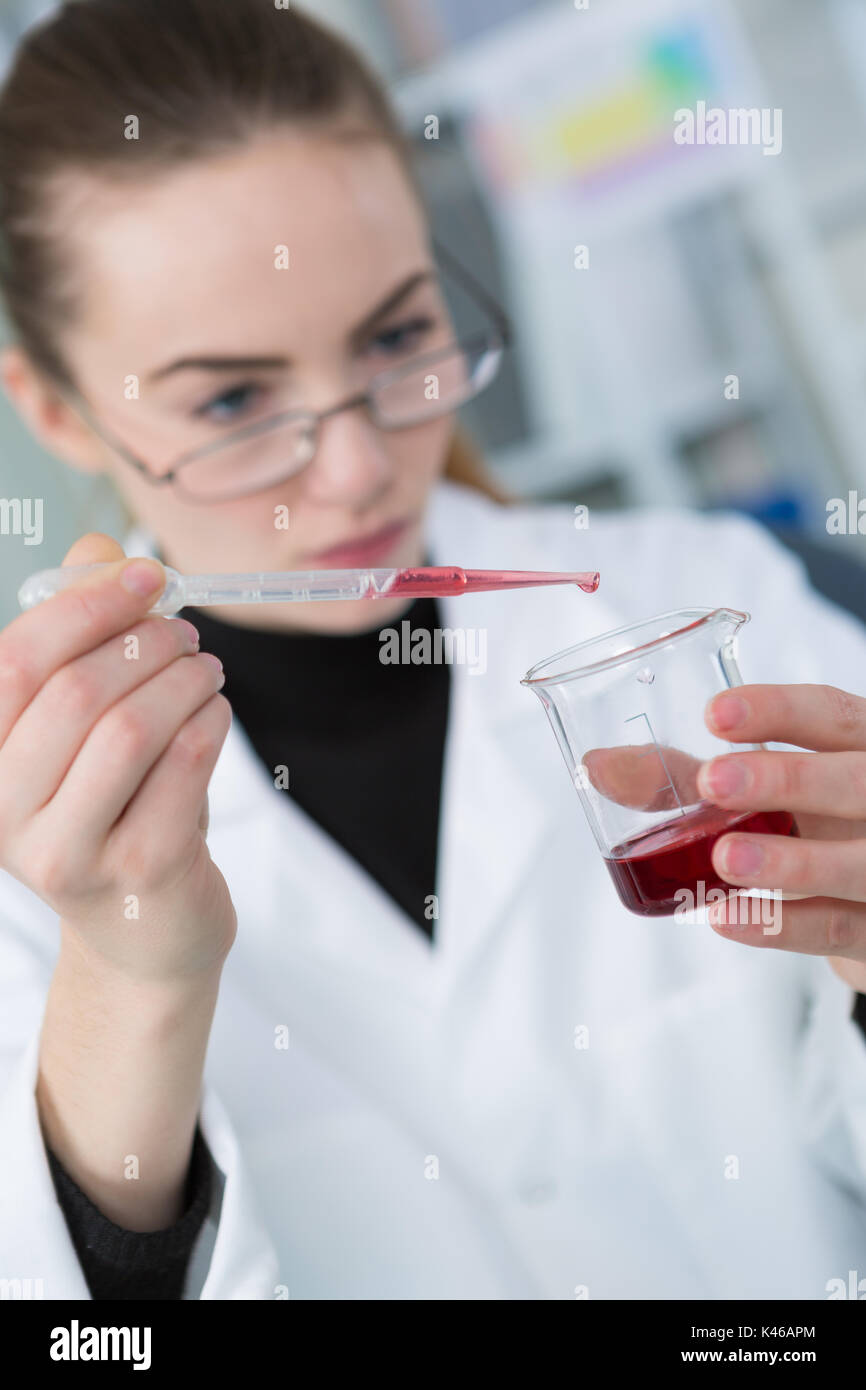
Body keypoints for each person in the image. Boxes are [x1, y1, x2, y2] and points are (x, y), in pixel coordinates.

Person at [0, 0, 865, 1302]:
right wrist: (131, 973)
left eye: (398, 337)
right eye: (234, 400)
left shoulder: (713, 602)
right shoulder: (30, 823)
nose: (354, 469)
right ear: (56, 410)